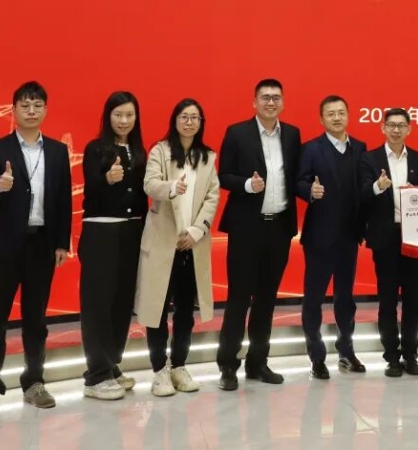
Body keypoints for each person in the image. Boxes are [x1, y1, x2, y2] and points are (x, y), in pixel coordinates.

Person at [216, 79, 301, 390]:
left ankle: (258, 363)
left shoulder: (291, 134)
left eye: (276, 97)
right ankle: (228, 366)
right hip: (246, 228)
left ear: (283, 102)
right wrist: (246, 185)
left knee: (267, 299)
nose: (271, 102)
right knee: (239, 298)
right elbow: (223, 175)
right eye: (265, 97)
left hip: (279, 228)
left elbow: (295, 177)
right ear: (254, 102)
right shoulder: (237, 132)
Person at [134, 98, 220, 397]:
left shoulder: (207, 157)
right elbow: (149, 184)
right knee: (156, 309)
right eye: (184, 116)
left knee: (185, 311)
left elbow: (212, 196)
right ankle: (159, 370)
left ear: (201, 123)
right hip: (162, 241)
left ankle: (179, 366)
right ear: (175, 120)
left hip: (191, 244)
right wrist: (171, 188)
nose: (189, 122)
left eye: (195, 117)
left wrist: (197, 230)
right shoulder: (160, 151)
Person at [0, 81, 71, 408]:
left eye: (37, 105)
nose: (31, 111)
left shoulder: (57, 151)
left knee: (36, 319)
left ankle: (34, 381)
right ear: (14, 110)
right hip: (4, 245)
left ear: (45, 110)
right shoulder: (1, 148)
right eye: (25, 105)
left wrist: (61, 243)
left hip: (42, 245)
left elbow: (63, 200)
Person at [79, 91, 148, 400]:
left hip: (132, 232)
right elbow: (90, 190)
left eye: (129, 115)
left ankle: (110, 364)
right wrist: (107, 179)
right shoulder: (95, 148)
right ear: (108, 116)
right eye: (118, 114)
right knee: (98, 303)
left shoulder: (140, 151)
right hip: (101, 231)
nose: (123, 120)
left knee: (121, 301)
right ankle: (95, 376)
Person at [297, 95, 367, 379]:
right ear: (321, 119)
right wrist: (309, 192)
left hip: (349, 236)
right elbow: (299, 181)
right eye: (330, 114)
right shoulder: (311, 149)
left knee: (345, 299)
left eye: (341, 113)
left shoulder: (360, 148)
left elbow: (363, 187)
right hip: (319, 237)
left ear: (348, 116)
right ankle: (316, 357)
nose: (336, 118)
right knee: (313, 299)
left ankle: (346, 352)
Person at [358, 108, 418, 377]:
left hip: (415, 236)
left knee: (413, 299)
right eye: (391, 125)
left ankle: (411, 355)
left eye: (401, 125)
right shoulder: (369, 159)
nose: (396, 130)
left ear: (409, 129)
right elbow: (362, 194)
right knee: (387, 299)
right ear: (383, 128)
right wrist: (378, 186)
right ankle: (392, 357)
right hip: (385, 237)